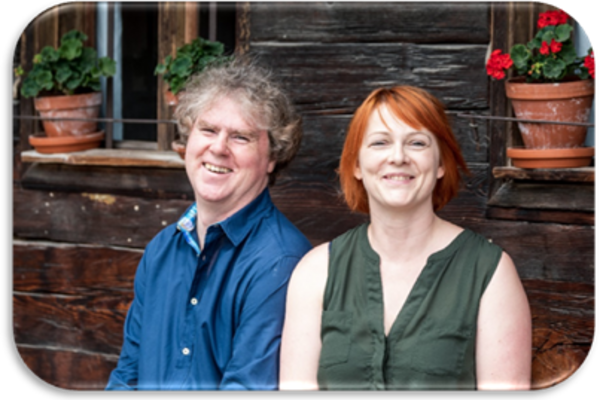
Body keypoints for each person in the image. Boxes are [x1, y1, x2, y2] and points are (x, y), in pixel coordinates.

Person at [279, 86, 531, 391]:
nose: (398, 157)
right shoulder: (316, 272)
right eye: (380, 142)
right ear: (357, 164)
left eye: (417, 143)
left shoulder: (489, 273)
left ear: (440, 164)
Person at [106, 58, 312, 391]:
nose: (218, 148)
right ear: (188, 141)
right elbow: (128, 374)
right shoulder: (161, 251)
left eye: (240, 137)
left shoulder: (281, 262)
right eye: (208, 130)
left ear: (272, 157)